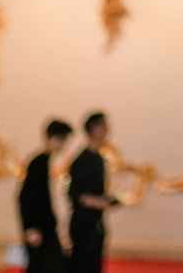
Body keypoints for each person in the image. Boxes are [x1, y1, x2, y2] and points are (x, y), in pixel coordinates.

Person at [66, 111, 119, 273]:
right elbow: (73, 192)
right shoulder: (82, 159)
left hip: (95, 223)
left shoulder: (98, 158)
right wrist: (95, 202)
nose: (107, 131)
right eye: (104, 126)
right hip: (83, 224)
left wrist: (107, 199)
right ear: (94, 129)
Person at [16, 119, 70, 273]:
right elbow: (25, 197)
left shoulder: (44, 162)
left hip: (44, 228)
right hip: (40, 230)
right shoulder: (38, 163)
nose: (63, 145)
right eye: (62, 140)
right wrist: (29, 228)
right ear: (52, 138)